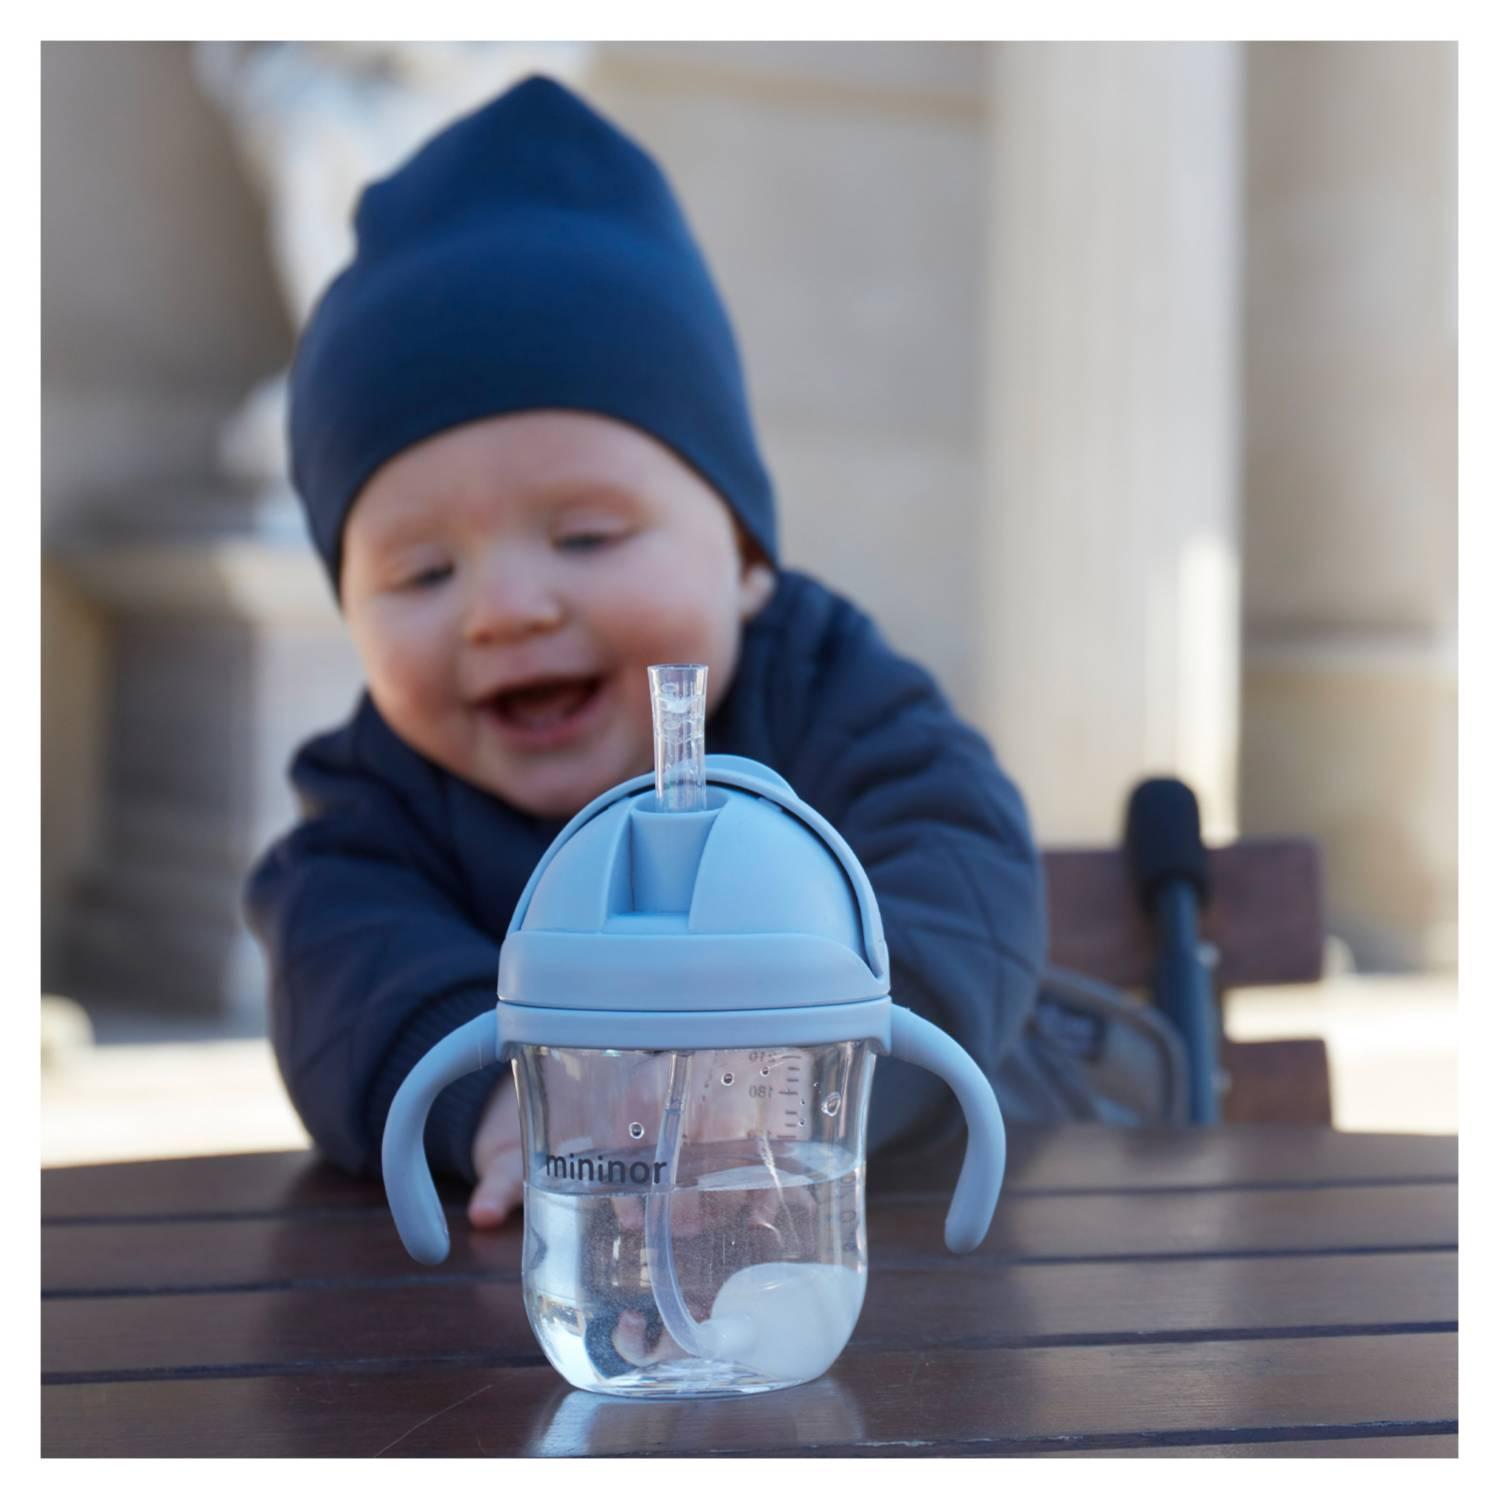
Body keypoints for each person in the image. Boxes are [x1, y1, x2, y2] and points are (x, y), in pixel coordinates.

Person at [245, 75, 1049, 1236]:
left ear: (745, 554)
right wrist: (499, 1100)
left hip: (922, 1230)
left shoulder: (828, 692)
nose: (504, 610)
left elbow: (965, 870)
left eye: (586, 536)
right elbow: (342, 967)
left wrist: (790, 1077)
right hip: (567, 1308)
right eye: (424, 573)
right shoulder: (379, 799)